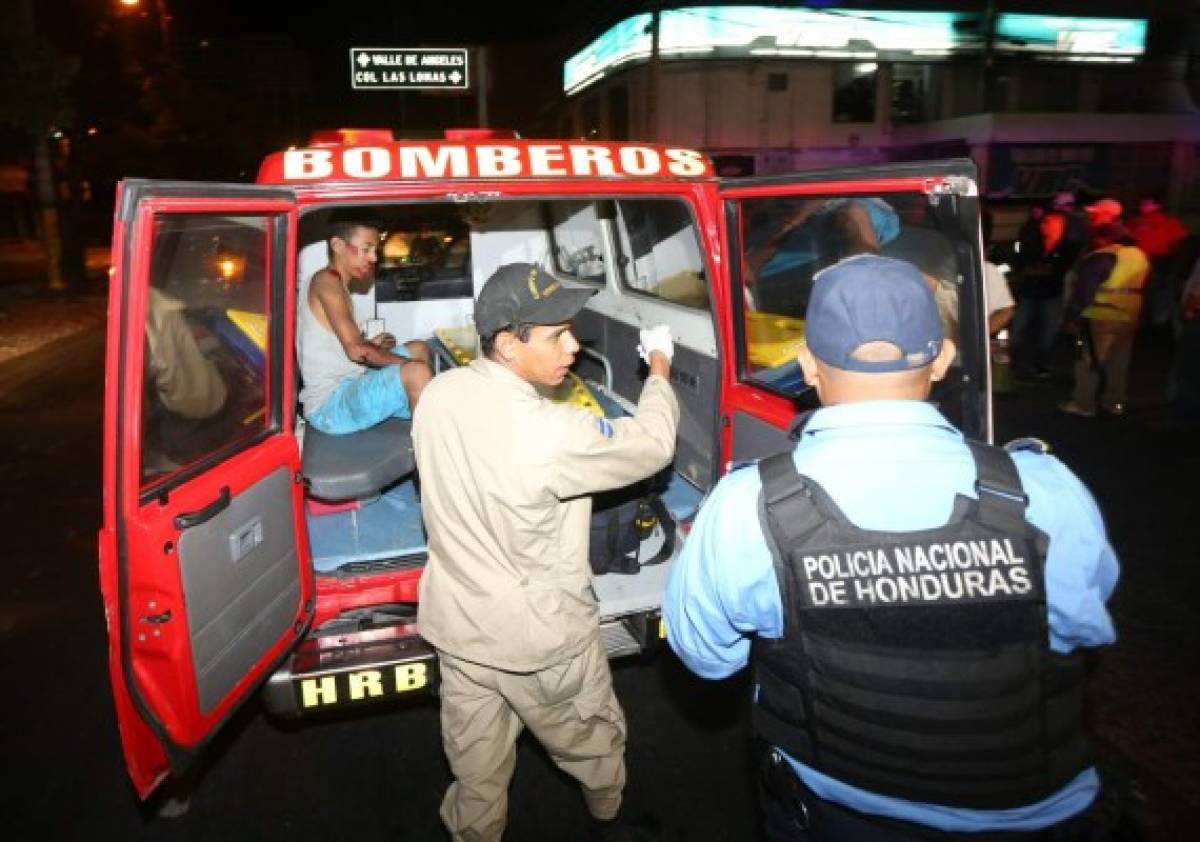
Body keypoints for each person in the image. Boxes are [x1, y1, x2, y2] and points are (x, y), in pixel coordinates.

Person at [664, 253, 1119, 841]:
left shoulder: (746, 506)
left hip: (838, 820)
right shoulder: (1043, 490)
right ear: (946, 358)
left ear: (805, 364)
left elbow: (705, 657)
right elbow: (1083, 627)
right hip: (1036, 819)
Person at [412, 262, 680, 842]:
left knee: (475, 764)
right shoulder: (552, 431)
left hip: (459, 628)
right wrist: (658, 368)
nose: (574, 345)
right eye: (556, 334)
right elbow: (654, 444)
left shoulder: (439, 392)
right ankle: (613, 817)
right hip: (539, 641)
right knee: (592, 740)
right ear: (509, 345)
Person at [297, 218, 433, 434]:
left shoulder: (334, 282)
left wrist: (373, 344)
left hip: (351, 379)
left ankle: (418, 406)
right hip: (330, 405)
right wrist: (406, 363)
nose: (374, 257)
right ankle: (430, 452)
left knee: (419, 348)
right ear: (338, 246)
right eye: (366, 249)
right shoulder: (325, 281)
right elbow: (356, 350)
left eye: (375, 250)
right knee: (417, 370)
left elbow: (346, 347)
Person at [1059, 223, 1151, 418]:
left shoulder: (1103, 256)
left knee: (1088, 361)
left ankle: (1084, 403)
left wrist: (1072, 318)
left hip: (1101, 315)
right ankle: (1115, 402)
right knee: (1119, 362)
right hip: (1129, 315)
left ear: (1105, 237)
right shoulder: (1139, 255)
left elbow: (1084, 291)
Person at [1127, 197, 1189, 328]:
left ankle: (1155, 320)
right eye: (1142, 203)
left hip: (1159, 262)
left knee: (1154, 289)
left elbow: (1179, 243)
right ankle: (1139, 319)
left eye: (1146, 203)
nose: (1142, 205)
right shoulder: (1135, 222)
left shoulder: (1167, 221)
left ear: (1157, 205)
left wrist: (1172, 263)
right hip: (1135, 262)